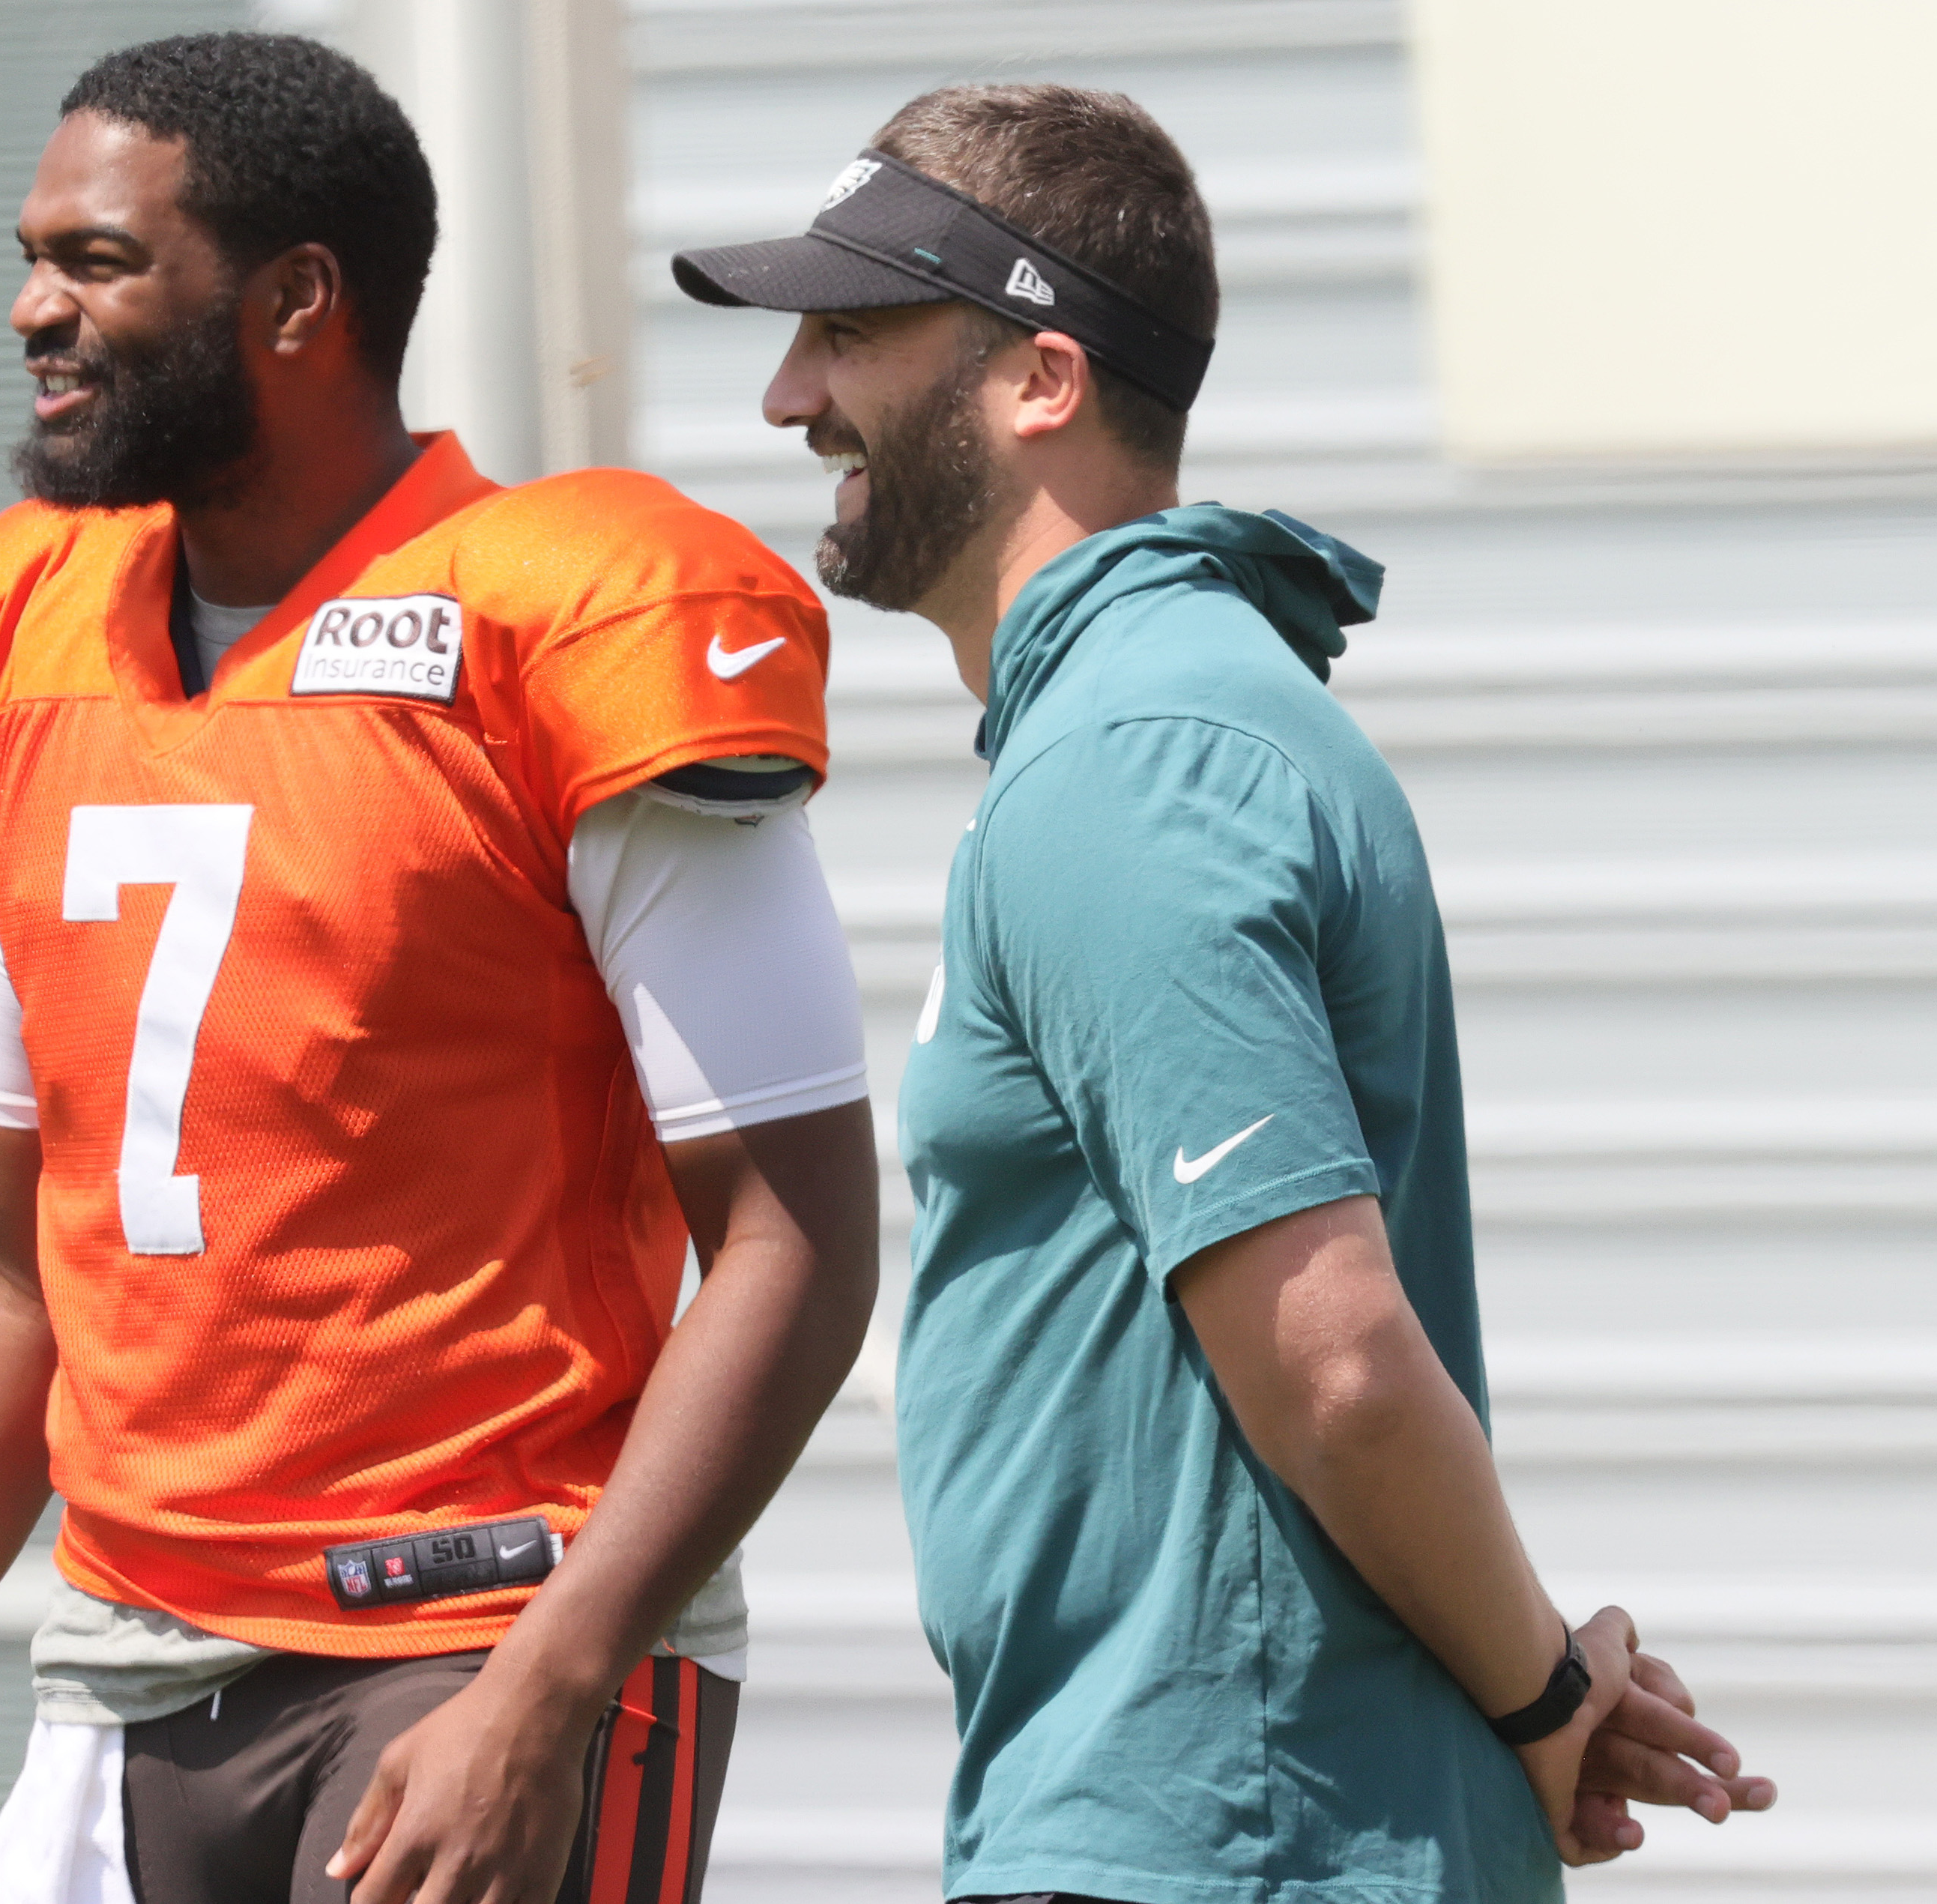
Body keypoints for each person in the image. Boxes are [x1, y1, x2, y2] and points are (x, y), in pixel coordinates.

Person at [0, 32, 880, 1904]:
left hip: (483, 1624)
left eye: (99, 260)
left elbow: (795, 1231)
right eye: (34, 253)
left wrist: (554, 1676)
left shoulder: (564, 613)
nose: (36, 307)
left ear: (295, 302)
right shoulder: (13, 631)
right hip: (127, 1664)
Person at [674, 83, 1777, 1904]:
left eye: (850, 331)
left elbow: (1329, 1354)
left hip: (1221, 1843)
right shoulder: (1152, 720)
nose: (790, 396)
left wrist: (1540, 1694)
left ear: (1041, 379)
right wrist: (1534, 1682)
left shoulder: (1134, 761)